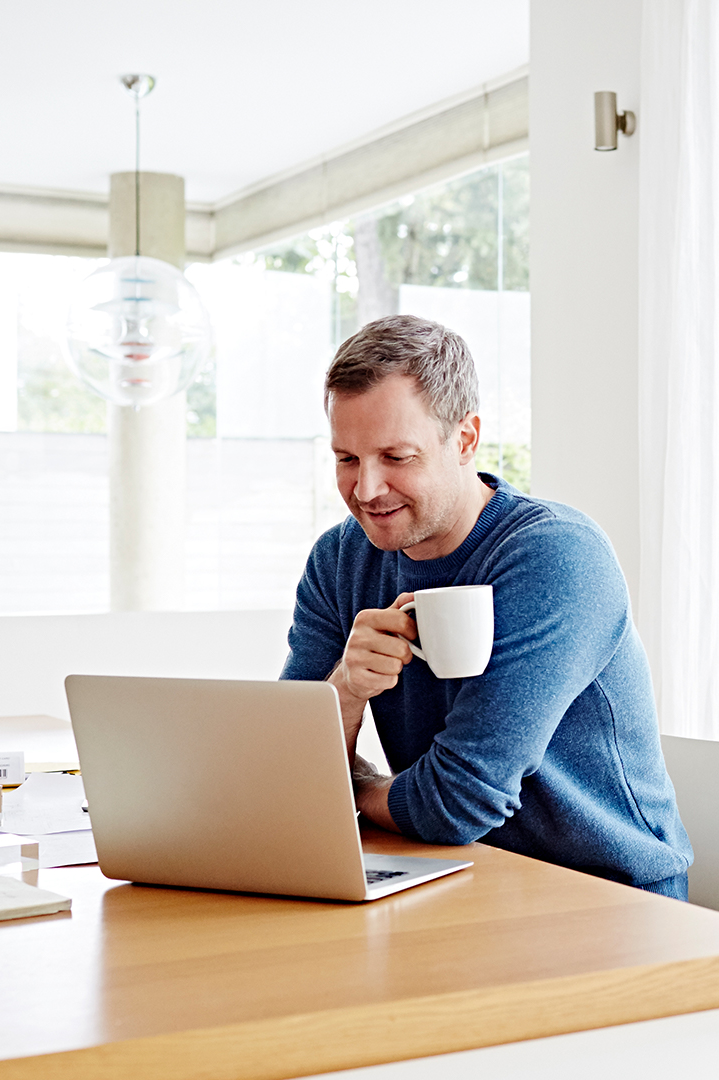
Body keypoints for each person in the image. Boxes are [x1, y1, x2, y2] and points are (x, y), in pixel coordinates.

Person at [280, 314, 693, 898]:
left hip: (608, 897)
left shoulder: (555, 557)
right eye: (347, 458)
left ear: (465, 440)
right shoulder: (341, 560)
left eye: (396, 457)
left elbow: (456, 803)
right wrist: (345, 688)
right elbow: (287, 778)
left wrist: (361, 790)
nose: (366, 490)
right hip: (457, 877)